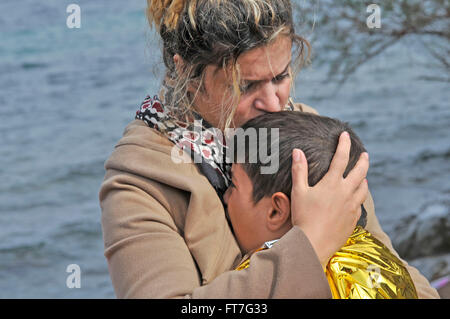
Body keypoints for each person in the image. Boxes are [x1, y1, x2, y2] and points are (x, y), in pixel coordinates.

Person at [99, 0, 439, 298]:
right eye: (246, 86)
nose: (275, 104)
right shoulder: (141, 181)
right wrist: (310, 244)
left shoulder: (309, 134)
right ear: (186, 73)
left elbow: (387, 263)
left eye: (281, 76)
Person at [225, 111, 418, 299]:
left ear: (277, 211)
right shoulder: (381, 259)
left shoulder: (265, 283)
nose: (225, 197)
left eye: (233, 184)